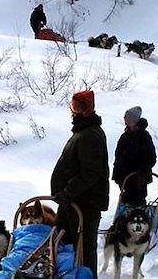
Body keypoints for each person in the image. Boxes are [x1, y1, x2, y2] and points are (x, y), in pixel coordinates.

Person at [51, 90, 109, 279]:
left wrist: (68, 192)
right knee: (64, 247)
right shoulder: (83, 131)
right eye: (71, 106)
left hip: (84, 205)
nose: (72, 111)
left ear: (86, 110)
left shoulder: (90, 135)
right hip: (72, 203)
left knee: (83, 251)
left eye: (76, 107)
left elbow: (91, 172)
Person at [112, 106, 157, 207]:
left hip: (138, 178)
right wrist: (117, 175)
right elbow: (118, 156)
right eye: (125, 118)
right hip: (124, 178)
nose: (125, 120)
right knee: (125, 202)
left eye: (128, 118)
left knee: (138, 202)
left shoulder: (144, 136)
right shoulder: (125, 136)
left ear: (134, 120)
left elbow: (151, 157)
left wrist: (142, 171)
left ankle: (139, 220)